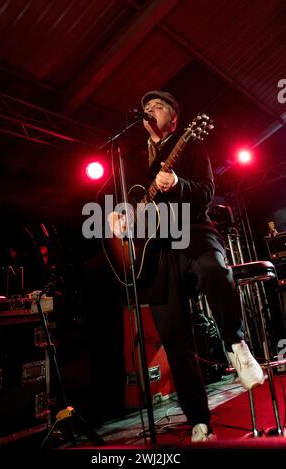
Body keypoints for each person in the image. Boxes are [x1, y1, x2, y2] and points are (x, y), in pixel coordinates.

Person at [108, 90, 264, 442]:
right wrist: (119, 216)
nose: (149, 111)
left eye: (158, 106)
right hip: (156, 252)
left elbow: (207, 192)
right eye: (146, 107)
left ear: (174, 118)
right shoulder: (130, 155)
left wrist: (178, 183)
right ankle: (200, 422)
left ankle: (237, 346)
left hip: (192, 232)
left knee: (214, 270)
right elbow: (126, 201)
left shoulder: (190, 145)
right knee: (176, 340)